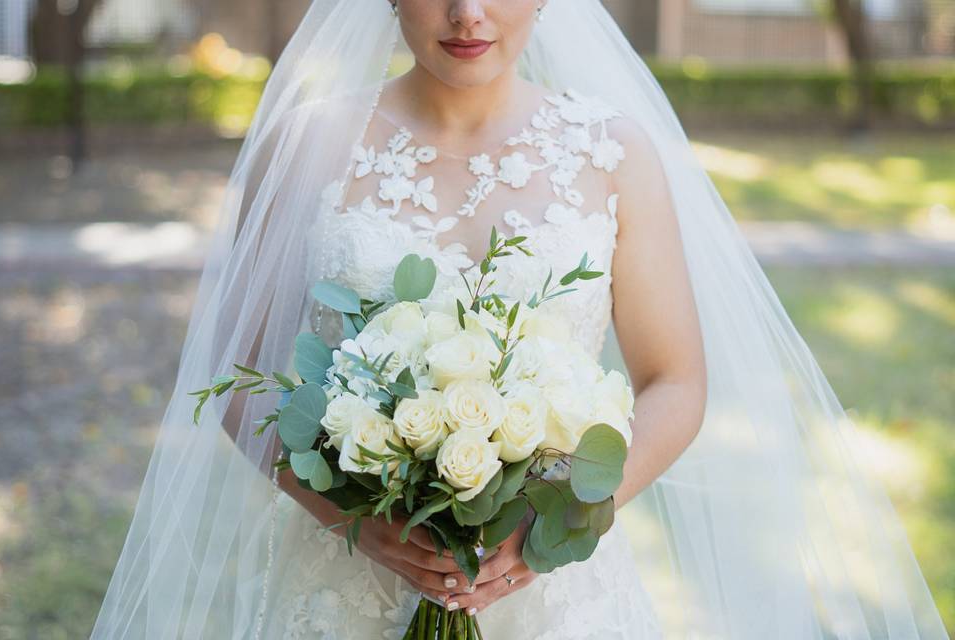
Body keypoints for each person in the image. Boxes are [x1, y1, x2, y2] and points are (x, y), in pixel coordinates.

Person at [91, 1, 951, 638]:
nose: (468, 14)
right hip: (342, 582)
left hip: (554, 589)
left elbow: (675, 382)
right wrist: (355, 519)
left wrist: (566, 515)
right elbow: (239, 379)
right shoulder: (308, 142)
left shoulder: (611, 153)